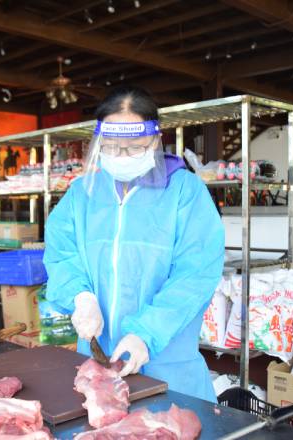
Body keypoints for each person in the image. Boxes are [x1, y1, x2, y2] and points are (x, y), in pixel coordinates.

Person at [43, 86, 225, 402]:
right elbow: (61, 254)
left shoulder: (184, 191)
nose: (122, 156)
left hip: (169, 368)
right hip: (97, 366)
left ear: (155, 140)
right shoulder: (82, 193)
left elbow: (195, 274)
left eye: (134, 147)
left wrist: (146, 333)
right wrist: (80, 296)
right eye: (112, 148)